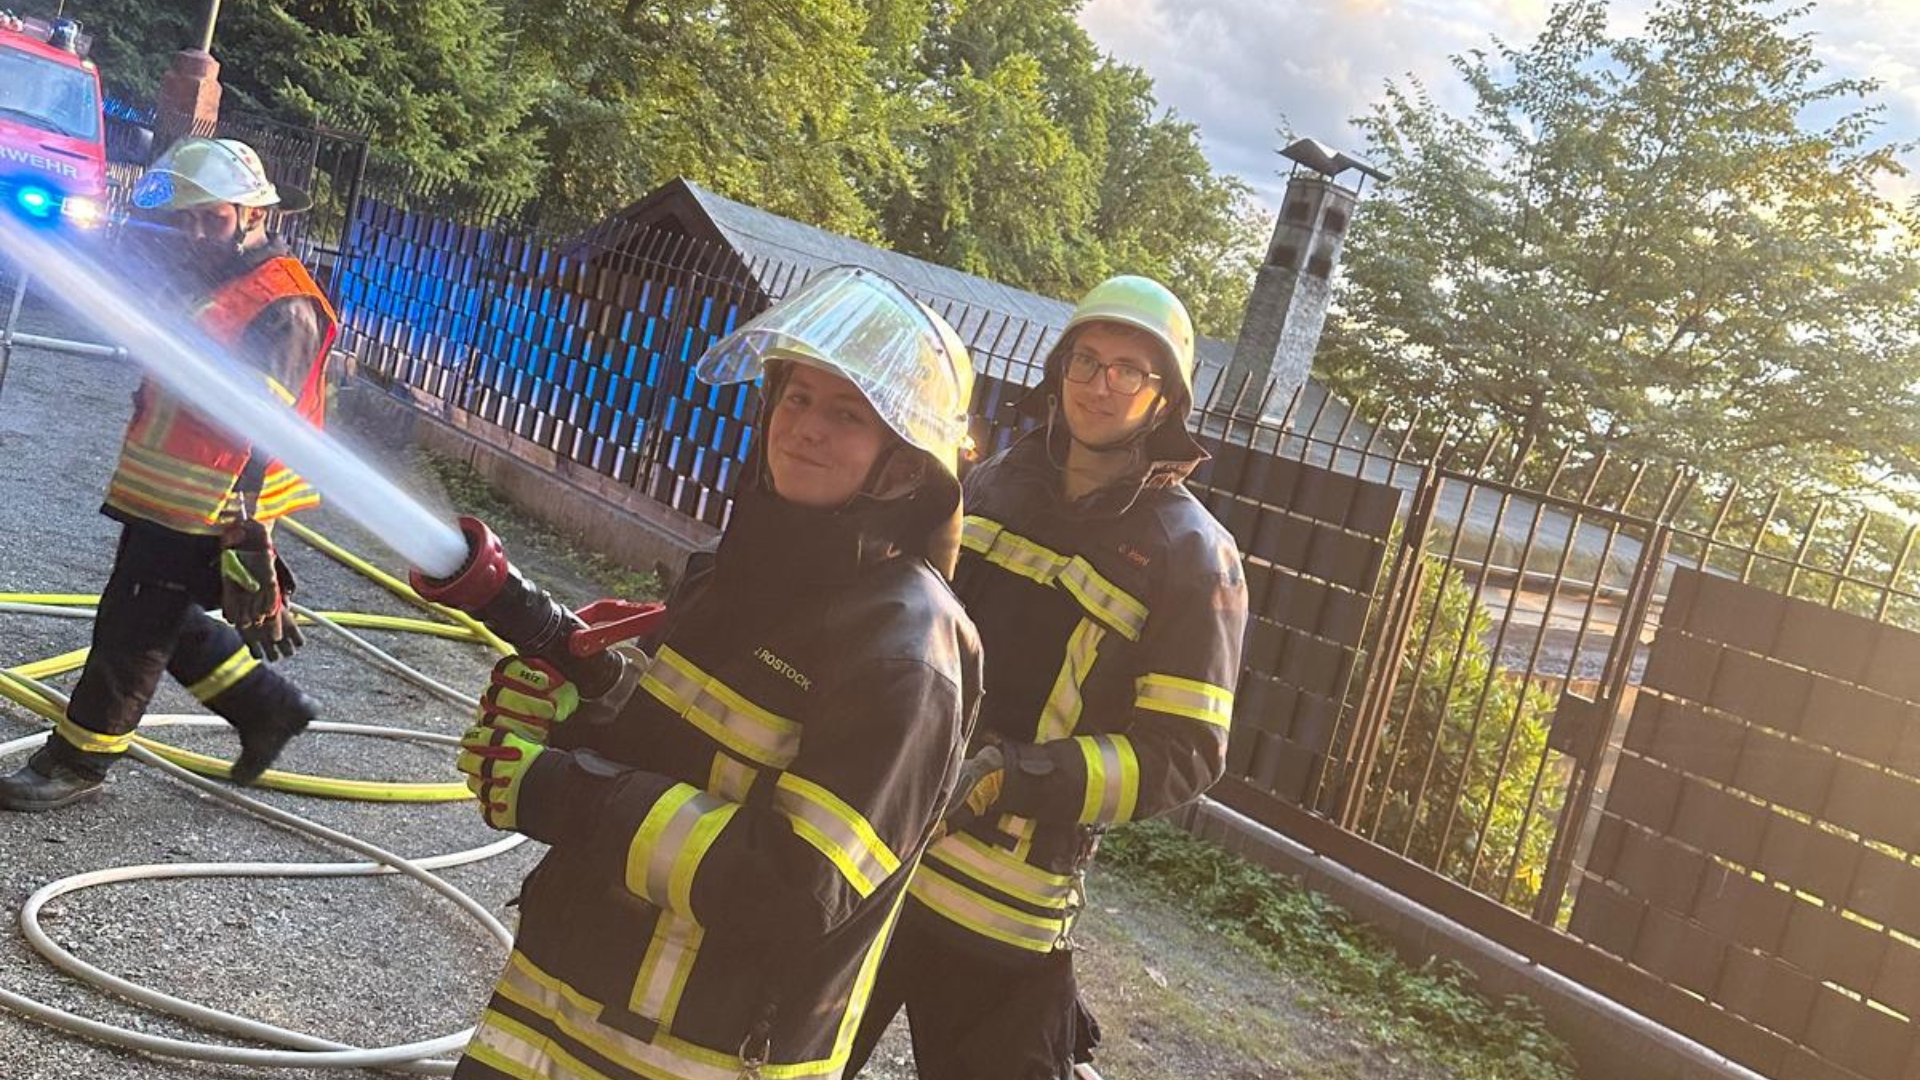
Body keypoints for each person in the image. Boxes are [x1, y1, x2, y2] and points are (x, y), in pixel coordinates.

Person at [452, 266, 983, 1080]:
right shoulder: (729, 570)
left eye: (848, 414)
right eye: (797, 397)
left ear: (905, 465)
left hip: (701, 1055)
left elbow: (800, 885)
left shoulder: (908, 649)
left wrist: (560, 791)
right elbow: (672, 754)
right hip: (554, 1008)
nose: (805, 428)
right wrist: (566, 721)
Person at [848, 275, 1249, 1079]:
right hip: (880, 855)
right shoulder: (995, 483)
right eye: (1086, 360)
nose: (1100, 385)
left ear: (1165, 399)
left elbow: (1185, 754)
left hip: (1003, 911)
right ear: (1059, 368)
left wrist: (1014, 776)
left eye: (1128, 371)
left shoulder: (1194, 556)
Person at [0, 137, 334, 812]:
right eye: (187, 219)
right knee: (158, 613)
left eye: (211, 218)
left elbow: (262, 428)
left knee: (132, 628)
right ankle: (266, 707)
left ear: (254, 215)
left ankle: (79, 761)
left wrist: (248, 533)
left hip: (213, 501)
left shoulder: (282, 303)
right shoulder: (219, 279)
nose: (196, 232)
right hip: (171, 492)